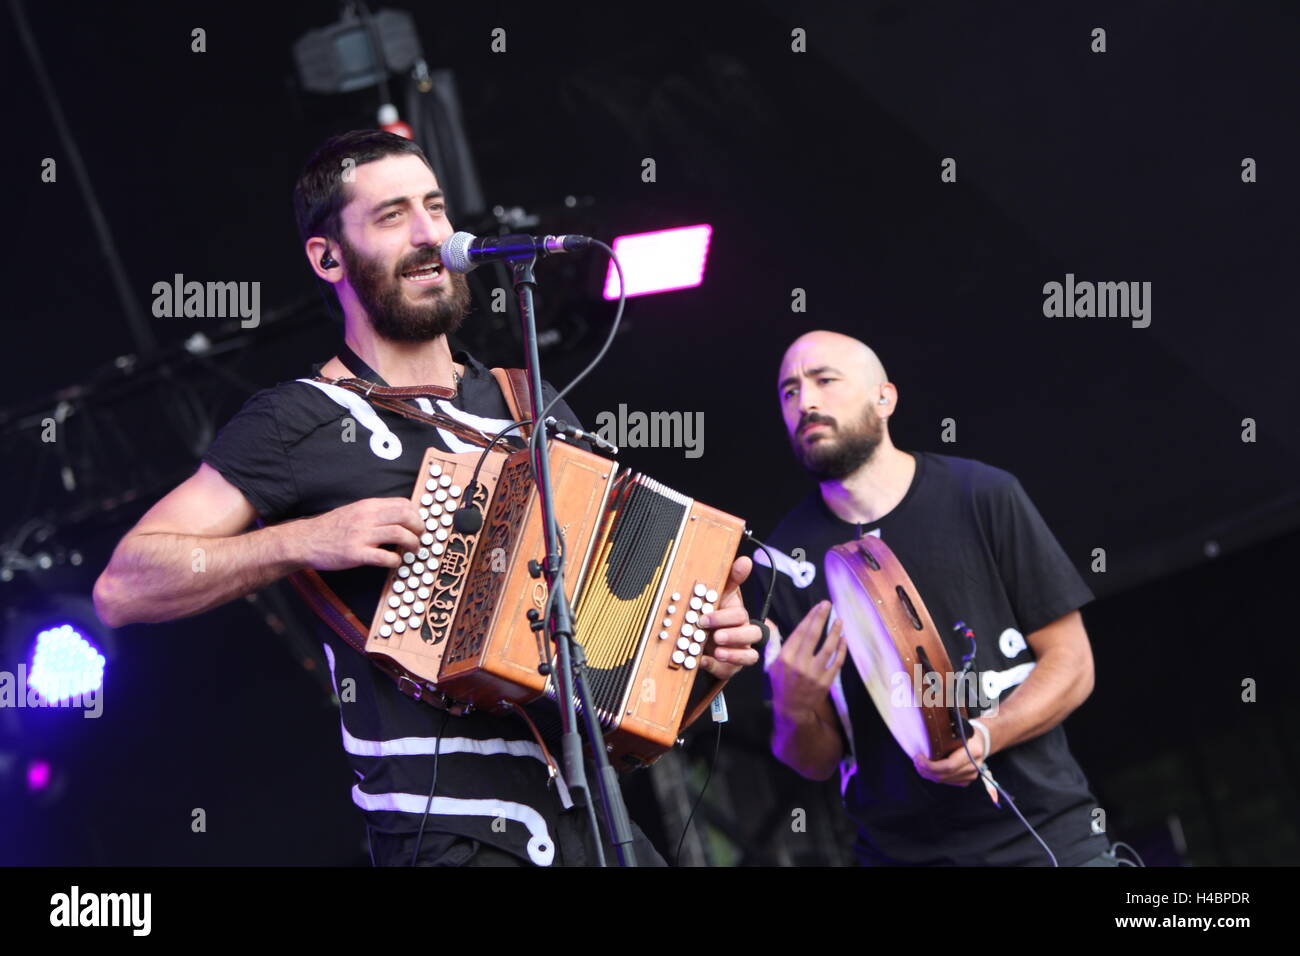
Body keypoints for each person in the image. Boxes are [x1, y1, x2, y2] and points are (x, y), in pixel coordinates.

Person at [92, 129, 762, 867]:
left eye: (435, 208)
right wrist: (300, 541)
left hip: (595, 830)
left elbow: (611, 671)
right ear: (327, 257)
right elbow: (125, 585)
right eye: (391, 216)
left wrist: (697, 652)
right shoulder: (297, 418)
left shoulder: (532, 401)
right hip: (449, 836)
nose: (429, 235)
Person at [746, 329, 1117, 866]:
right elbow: (815, 760)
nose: (806, 402)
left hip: (1052, 843)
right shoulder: (779, 563)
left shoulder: (983, 495)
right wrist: (791, 706)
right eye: (789, 392)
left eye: (825, 380)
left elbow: (1073, 663)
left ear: (885, 397)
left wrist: (987, 736)